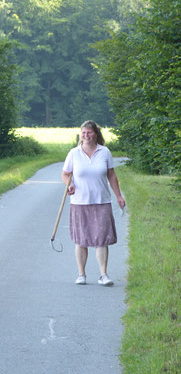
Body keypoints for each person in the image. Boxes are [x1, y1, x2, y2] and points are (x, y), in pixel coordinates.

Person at [62, 120, 125, 286]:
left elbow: (112, 175)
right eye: (83, 133)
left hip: (101, 201)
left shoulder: (105, 152)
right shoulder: (74, 153)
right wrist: (70, 184)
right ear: (80, 135)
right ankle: (81, 274)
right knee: (81, 240)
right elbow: (65, 174)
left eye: (89, 132)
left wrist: (118, 195)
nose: (86, 135)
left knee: (101, 239)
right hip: (79, 203)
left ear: (96, 134)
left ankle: (103, 275)